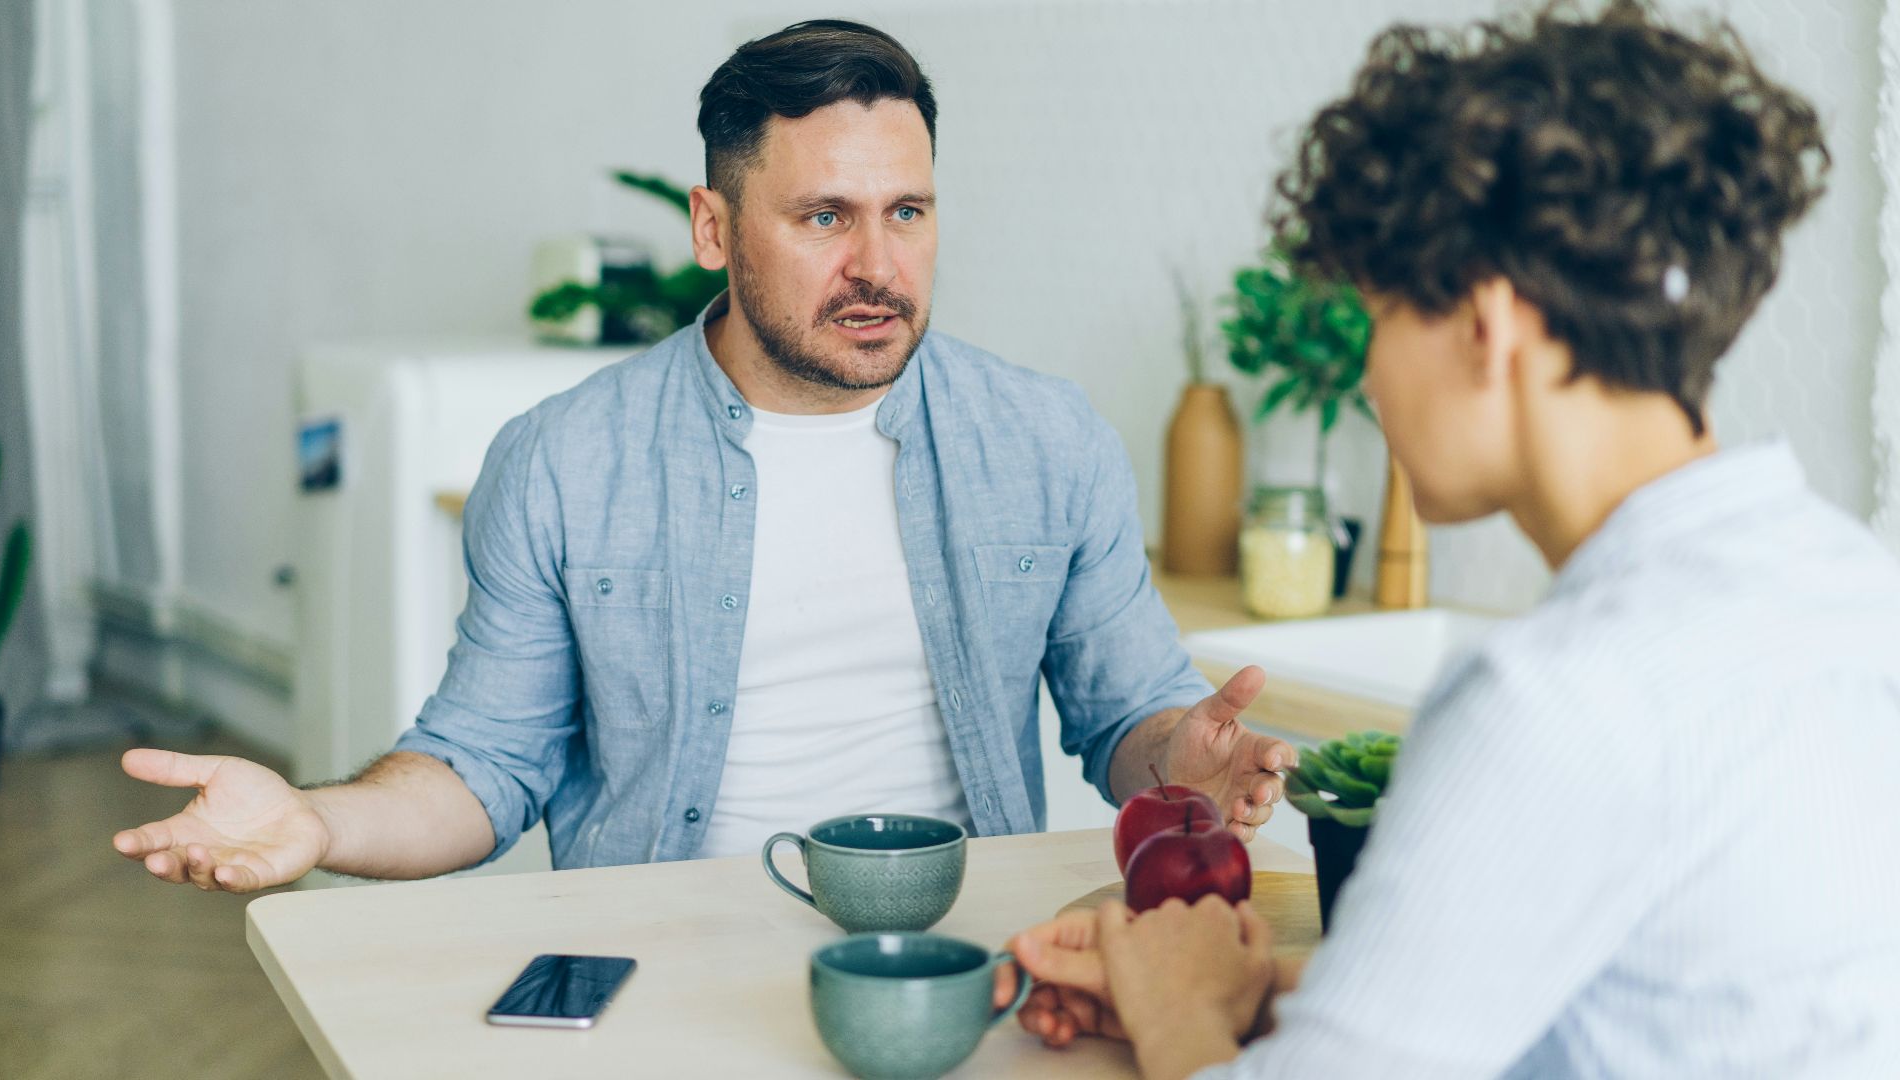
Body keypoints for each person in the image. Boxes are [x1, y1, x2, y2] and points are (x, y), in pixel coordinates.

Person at [110, 19, 1293, 893]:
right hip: (656, 958)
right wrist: (317, 821)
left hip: (961, 958)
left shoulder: (1046, 440)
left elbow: (1127, 720)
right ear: (714, 227)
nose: (879, 266)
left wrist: (1180, 753)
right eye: (825, 217)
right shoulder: (565, 462)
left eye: (909, 213)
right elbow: (482, 767)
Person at [999, 2, 1900, 1076]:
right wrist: (1246, 995)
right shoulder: (1852, 587)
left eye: (1378, 316)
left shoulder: (1559, 700)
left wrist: (1180, 1013)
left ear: (1488, 326)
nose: (1370, 377)